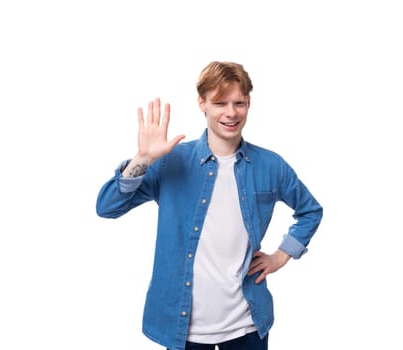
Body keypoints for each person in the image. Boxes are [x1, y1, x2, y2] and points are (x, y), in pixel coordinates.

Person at [96, 61, 323, 350]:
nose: (231, 112)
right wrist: (142, 159)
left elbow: (310, 211)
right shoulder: (171, 161)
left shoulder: (271, 165)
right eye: (220, 103)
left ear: (249, 104)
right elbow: (106, 207)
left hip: (248, 327)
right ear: (202, 103)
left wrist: (280, 256)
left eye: (239, 102)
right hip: (184, 330)